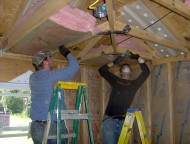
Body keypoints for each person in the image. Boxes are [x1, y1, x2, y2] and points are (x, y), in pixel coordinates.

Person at [29, 45, 80, 144]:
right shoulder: (52, 76)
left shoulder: (33, 77)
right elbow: (75, 66)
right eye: (51, 58)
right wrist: (66, 52)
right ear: (45, 61)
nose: (53, 60)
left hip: (36, 127)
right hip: (52, 126)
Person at [98, 52, 150, 144]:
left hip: (124, 121)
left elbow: (146, 72)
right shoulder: (116, 81)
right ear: (121, 73)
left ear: (130, 72)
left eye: (128, 69)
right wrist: (114, 62)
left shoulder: (134, 84)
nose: (126, 71)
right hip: (110, 120)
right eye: (124, 69)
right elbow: (102, 70)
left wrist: (137, 57)